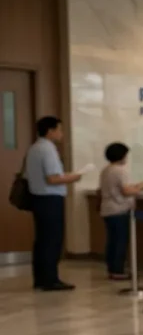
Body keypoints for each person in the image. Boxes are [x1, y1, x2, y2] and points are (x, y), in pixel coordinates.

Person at [25, 116, 81, 291]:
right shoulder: (48, 149)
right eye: (59, 130)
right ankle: (51, 279)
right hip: (50, 199)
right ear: (50, 131)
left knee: (42, 240)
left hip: (38, 198)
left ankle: (40, 278)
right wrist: (74, 177)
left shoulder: (34, 148)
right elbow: (53, 178)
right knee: (52, 240)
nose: (61, 134)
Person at [99, 143, 143, 280]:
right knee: (120, 241)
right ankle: (118, 270)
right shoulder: (120, 170)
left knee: (112, 240)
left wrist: (136, 186)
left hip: (108, 209)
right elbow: (126, 191)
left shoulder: (106, 170)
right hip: (119, 209)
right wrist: (140, 188)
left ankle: (112, 268)